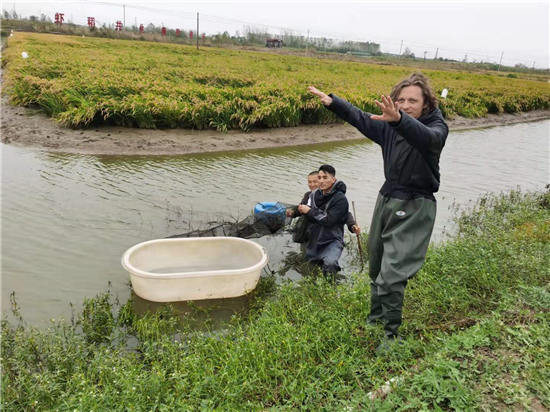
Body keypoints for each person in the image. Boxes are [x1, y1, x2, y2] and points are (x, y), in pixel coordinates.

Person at [309, 73, 449, 348]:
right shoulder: (388, 125)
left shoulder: (435, 126)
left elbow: (430, 140)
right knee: (376, 267)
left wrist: (399, 119)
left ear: (426, 103)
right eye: (401, 100)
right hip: (387, 199)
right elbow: (362, 118)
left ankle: (390, 335)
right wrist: (334, 103)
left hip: (415, 204)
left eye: (413, 100)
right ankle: (375, 320)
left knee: (392, 273)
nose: (406, 105)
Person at [297, 165, 350, 281]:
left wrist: (309, 211)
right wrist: (293, 211)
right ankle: (316, 291)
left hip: (332, 240)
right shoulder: (314, 194)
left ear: (333, 180)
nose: (321, 181)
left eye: (325, 178)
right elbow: (303, 208)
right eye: (319, 178)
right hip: (315, 239)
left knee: (330, 263)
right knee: (311, 268)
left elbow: (329, 220)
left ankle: (330, 292)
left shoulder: (340, 199)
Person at [287, 171, 361, 238]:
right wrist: (293, 212)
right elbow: (301, 208)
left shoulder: (333, 197)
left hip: (324, 234)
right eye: (309, 182)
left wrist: (352, 225)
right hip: (308, 232)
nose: (312, 185)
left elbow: (345, 214)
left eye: (315, 182)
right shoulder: (308, 195)